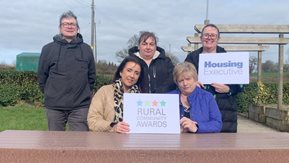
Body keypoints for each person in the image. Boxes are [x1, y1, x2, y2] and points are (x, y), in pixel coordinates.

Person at [37, 11, 96, 131]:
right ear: (60, 28)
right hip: (54, 107)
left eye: (72, 24)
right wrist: (50, 93)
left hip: (80, 107)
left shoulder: (87, 49)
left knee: (80, 144)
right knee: (55, 143)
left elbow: (91, 77)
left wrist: (83, 95)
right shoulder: (48, 49)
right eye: (65, 24)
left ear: (77, 28)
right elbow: (42, 76)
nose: (69, 26)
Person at [185, 24, 243, 133]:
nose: (209, 38)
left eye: (213, 35)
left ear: (218, 38)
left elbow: (240, 86)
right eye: (206, 35)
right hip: (199, 109)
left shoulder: (229, 58)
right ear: (201, 38)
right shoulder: (191, 58)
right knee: (199, 145)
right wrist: (192, 82)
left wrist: (228, 89)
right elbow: (182, 78)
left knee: (225, 146)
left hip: (225, 111)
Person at [88, 56, 143, 133]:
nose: (132, 75)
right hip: (107, 141)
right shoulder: (104, 91)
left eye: (136, 73)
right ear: (121, 72)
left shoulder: (141, 97)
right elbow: (92, 121)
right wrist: (112, 126)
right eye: (129, 70)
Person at [170, 62, 222, 133]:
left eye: (188, 79)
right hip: (174, 142)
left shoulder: (207, 97)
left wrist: (196, 127)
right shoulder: (168, 98)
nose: (185, 83)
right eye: (181, 80)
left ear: (195, 79)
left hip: (202, 142)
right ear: (176, 82)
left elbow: (217, 124)